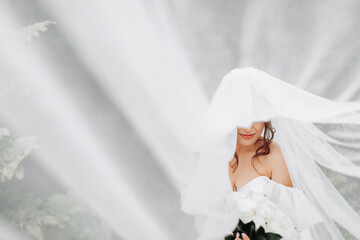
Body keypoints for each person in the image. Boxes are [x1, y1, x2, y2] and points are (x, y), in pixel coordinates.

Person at [180, 67, 360, 240]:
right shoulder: (214, 157)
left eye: (255, 117)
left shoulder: (273, 155)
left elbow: (293, 226)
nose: (248, 127)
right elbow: (202, 220)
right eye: (240, 118)